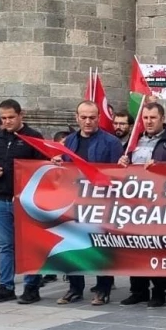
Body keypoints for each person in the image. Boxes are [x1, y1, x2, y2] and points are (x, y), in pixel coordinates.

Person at [118, 101, 166, 306]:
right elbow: (120, 167)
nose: (148, 122)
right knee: (135, 246)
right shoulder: (133, 141)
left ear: (162, 119)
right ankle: (138, 289)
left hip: (160, 205)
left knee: (158, 248)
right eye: (145, 118)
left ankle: (159, 291)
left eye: (153, 118)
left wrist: (162, 167)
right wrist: (122, 163)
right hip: (134, 204)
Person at [58, 101, 124, 305]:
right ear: (76, 118)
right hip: (74, 201)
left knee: (100, 246)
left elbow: (117, 175)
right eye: (84, 117)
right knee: (72, 244)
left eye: (92, 117)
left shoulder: (111, 142)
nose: (88, 121)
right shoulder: (69, 141)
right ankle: (75, 287)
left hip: (100, 202)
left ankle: (103, 289)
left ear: (98, 118)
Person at [0, 100, 45, 304]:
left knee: (29, 245)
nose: (7, 121)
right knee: (4, 246)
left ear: (21, 115)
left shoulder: (34, 137)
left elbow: (43, 169)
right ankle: (6, 286)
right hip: (0, 199)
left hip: (26, 201)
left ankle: (31, 287)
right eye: (3, 118)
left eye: (11, 117)